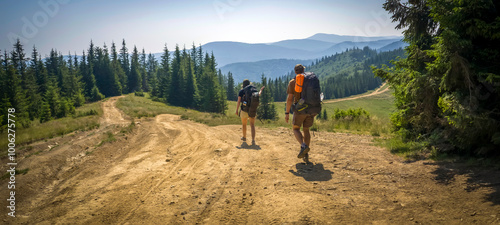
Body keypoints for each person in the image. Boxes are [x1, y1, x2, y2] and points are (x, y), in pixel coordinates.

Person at [285, 64, 315, 163]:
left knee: (296, 128)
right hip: (311, 109)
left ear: (295, 72)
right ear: (303, 70)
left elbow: (290, 99)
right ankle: (306, 154)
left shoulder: (293, 82)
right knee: (306, 129)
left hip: (300, 109)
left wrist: (287, 112)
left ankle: (303, 146)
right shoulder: (311, 80)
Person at [236, 79, 265, 145]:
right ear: (249, 83)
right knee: (252, 125)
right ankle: (253, 140)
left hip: (244, 110)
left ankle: (244, 137)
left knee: (244, 124)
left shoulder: (241, 91)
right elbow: (258, 94)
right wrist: (261, 90)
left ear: (243, 84)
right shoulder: (252, 90)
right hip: (252, 110)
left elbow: (238, 101)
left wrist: (237, 110)